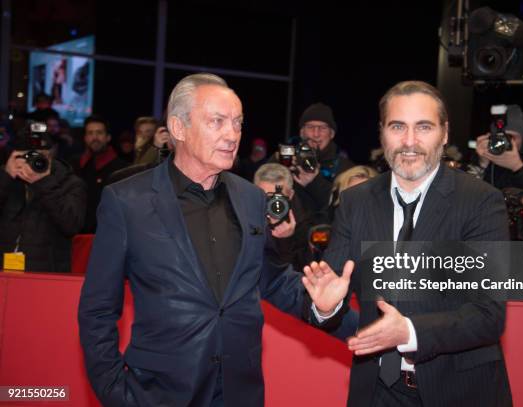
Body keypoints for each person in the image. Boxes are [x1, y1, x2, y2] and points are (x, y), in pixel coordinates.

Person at [78, 73, 314, 407]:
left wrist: (323, 302)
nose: (232, 135)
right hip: (158, 395)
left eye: (237, 123)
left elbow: (271, 279)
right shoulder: (126, 200)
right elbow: (97, 310)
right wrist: (117, 393)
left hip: (240, 394)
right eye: (217, 122)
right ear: (178, 127)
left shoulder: (250, 198)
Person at [304, 81, 512, 407]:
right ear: (382, 133)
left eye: (424, 127)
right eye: (397, 126)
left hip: (459, 391)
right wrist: (325, 307)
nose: (409, 141)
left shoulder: (481, 202)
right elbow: (332, 289)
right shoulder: (356, 202)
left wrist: (410, 331)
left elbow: (488, 314)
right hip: (376, 392)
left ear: (444, 133)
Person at [0, 123, 86, 272]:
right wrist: (5, 178)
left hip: (46, 275)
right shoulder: (7, 178)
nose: (34, 161)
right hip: (5, 273)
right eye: (28, 155)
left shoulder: (70, 183)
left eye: (40, 156)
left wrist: (44, 182)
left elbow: (71, 225)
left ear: (51, 155)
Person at [471, 104, 523, 195]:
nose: (506, 142)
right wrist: (482, 166)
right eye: (501, 137)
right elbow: (470, 195)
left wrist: (518, 168)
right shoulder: (489, 153)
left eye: (511, 137)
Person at [71, 115, 128, 233]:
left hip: (108, 234)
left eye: (99, 133)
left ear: (108, 137)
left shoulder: (121, 168)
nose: (94, 137)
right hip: (76, 236)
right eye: (90, 133)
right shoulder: (75, 165)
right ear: (85, 138)